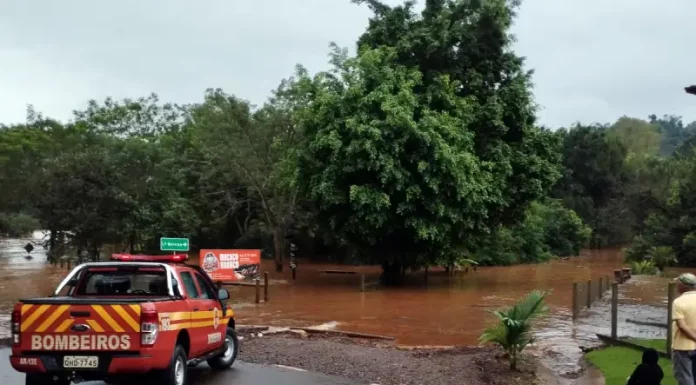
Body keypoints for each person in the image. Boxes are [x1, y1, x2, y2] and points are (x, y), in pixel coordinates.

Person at [672, 273, 696, 385]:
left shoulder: (678, 302)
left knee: (685, 378)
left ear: (683, 285)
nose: (677, 285)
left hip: (683, 347)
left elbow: (682, 326)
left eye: (678, 283)